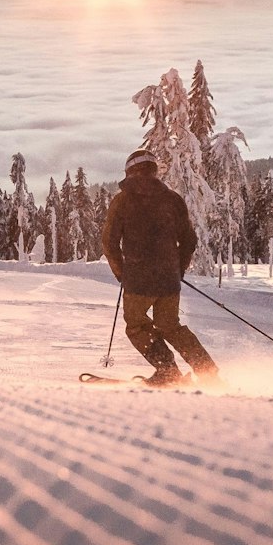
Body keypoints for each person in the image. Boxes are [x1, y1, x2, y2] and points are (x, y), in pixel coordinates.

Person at [102, 149, 223, 388]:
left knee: (136, 326)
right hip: (168, 280)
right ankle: (208, 372)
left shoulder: (122, 200)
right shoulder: (172, 199)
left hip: (137, 279)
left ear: (130, 171)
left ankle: (168, 371)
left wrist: (121, 273)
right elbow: (189, 240)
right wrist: (177, 269)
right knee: (171, 326)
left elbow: (109, 242)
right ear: (154, 170)